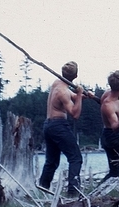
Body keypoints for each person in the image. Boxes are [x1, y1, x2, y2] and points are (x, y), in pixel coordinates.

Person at [38, 61, 90, 197]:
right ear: (76, 75)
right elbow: (75, 114)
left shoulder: (57, 84)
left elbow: (70, 95)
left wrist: (83, 95)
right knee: (75, 158)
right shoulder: (63, 92)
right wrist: (79, 95)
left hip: (48, 125)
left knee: (51, 161)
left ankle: (42, 189)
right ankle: (73, 192)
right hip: (58, 126)